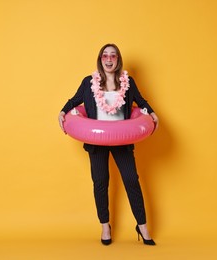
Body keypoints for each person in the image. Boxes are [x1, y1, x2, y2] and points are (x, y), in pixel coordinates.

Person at [58, 43, 159, 246]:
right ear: (101, 59)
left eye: (113, 55)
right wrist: (62, 111)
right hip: (97, 141)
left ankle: (142, 226)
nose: (109, 58)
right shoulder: (89, 82)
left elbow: (140, 101)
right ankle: (105, 226)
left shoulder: (127, 82)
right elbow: (75, 99)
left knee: (131, 180)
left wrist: (153, 113)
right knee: (101, 182)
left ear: (118, 59)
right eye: (105, 55)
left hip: (122, 140)